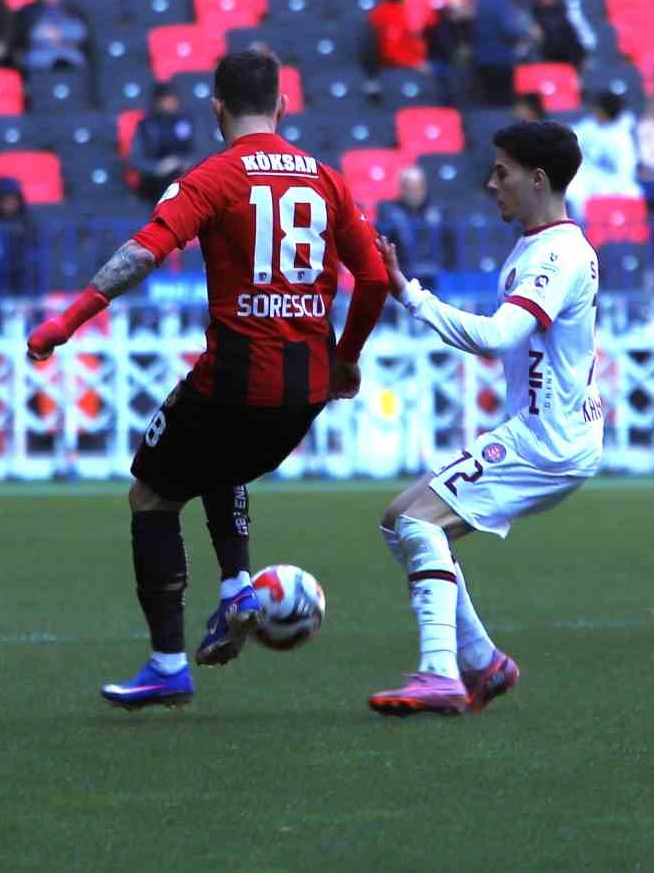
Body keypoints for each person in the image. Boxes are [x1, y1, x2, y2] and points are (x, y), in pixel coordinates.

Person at [26, 50, 390, 711]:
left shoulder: (215, 177)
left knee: (151, 497)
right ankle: (237, 588)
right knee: (226, 457)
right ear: (282, 107)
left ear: (216, 108)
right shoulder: (328, 181)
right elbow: (374, 278)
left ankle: (168, 664)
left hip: (232, 382)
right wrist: (346, 355)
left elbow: (144, 253)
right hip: (303, 394)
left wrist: (66, 323)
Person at [366, 120, 603, 716]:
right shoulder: (542, 243)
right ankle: (484, 663)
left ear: (538, 178)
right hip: (546, 429)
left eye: (502, 172)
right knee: (401, 521)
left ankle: (441, 673)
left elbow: (499, 336)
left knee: (421, 526)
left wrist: (411, 296)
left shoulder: (559, 254)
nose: (491, 183)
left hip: (547, 440)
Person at [471, 0, 536, 107]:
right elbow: (510, 30)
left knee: (488, 104)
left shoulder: (482, 0)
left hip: (481, 60)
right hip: (500, 61)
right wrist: (529, 33)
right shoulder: (502, 1)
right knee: (503, 105)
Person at [376, 166, 451, 288]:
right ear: (402, 188)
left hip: (435, 273)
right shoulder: (389, 212)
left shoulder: (438, 211)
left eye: (419, 187)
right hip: (403, 274)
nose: (416, 192)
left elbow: (449, 244)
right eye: (410, 188)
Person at [568, 91, 641, 215]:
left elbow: (627, 172)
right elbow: (569, 136)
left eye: (599, 110)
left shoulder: (623, 136)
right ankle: (583, 229)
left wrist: (608, 190)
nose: (596, 112)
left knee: (634, 193)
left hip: (615, 183)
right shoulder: (588, 127)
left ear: (605, 112)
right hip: (587, 180)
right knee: (572, 191)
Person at [129, 85, 198, 204]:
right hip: (154, 184)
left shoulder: (187, 122)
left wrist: (182, 163)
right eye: (166, 100)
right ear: (156, 102)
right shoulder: (145, 126)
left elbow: (198, 152)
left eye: (173, 100)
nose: (170, 103)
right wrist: (159, 167)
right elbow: (136, 161)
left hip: (183, 177)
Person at [12, 0, 89, 72]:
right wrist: (47, 35)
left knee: (77, 59)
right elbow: (31, 35)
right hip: (40, 54)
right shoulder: (29, 12)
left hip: (69, 52)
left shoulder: (72, 10)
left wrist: (59, 33)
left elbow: (80, 33)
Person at [530, 0, 589, 70]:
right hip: (544, 59)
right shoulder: (532, 14)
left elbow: (581, 40)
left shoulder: (567, 11)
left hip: (568, 60)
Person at [367, 0, 428, 69]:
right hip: (398, 67)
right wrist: (416, 63)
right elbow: (391, 51)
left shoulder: (381, 9)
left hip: (405, 61)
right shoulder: (394, 15)